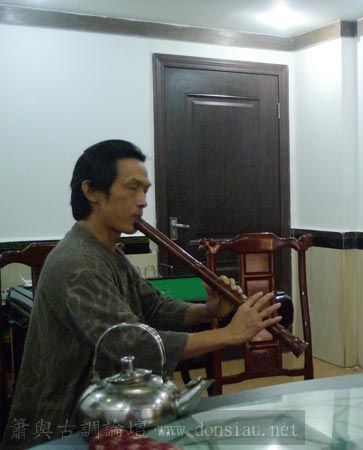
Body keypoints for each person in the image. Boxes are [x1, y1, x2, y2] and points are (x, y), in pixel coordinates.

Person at [2, 140, 283, 448]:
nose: (143, 202)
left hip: (102, 419)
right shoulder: (78, 264)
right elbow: (132, 345)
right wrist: (229, 334)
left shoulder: (107, 251)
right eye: (132, 188)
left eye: (145, 191)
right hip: (59, 428)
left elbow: (154, 307)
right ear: (91, 191)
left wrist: (208, 310)